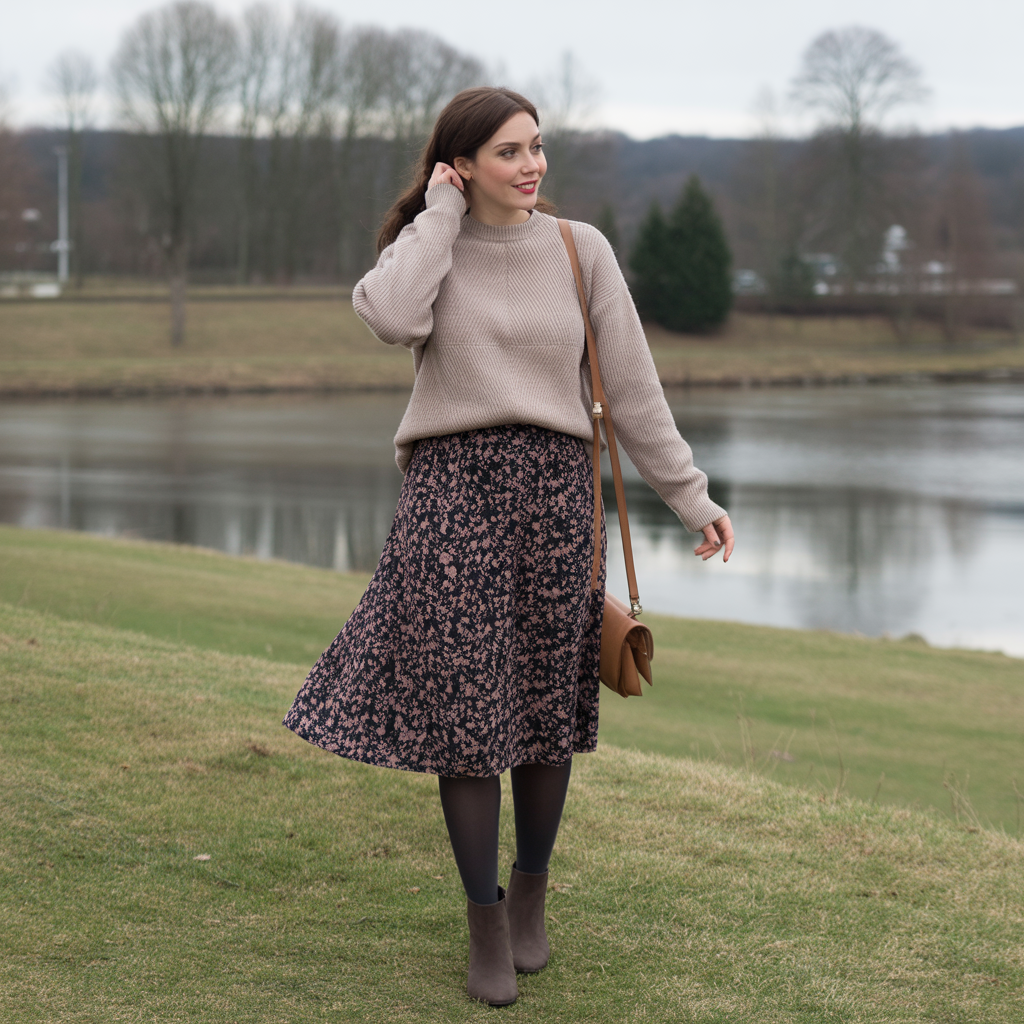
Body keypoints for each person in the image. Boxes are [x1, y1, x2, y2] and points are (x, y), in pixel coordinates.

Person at [283, 86, 734, 1007]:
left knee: (543, 701)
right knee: (465, 711)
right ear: (461, 164)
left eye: (537, 147)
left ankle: (531, 897)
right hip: (450, 499)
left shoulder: (581, 250)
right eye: (508, 152)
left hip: (558, 499)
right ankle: (484, 923)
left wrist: (692, 499)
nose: (531, 165)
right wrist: (440, 214)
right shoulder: (427, 251)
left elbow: (636, 393)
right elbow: (389, 318)